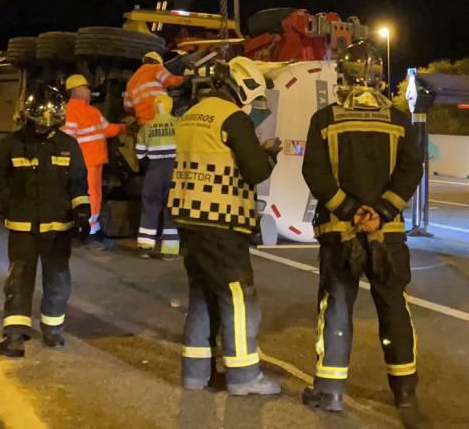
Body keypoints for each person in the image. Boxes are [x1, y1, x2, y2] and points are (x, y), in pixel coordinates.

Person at [299, 40, 423, 412]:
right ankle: (404, 393)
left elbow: (315, 174)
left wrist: (351, 210)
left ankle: (331, 393)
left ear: (343, 76)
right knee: (394, 307)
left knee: (336, 306)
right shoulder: (400, 121)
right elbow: (410, 171)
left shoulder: (325, 120)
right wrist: (381, 212)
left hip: (341, 233)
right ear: (379, 77)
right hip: (388, 235)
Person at [168, 56, 281, 396]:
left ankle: (196, 373)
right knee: (238, 298)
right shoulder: (232, 118)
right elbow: (257, 171)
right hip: (220, 220)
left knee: (202, 295)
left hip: (189, 218)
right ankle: (244, 377)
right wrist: (269, 153)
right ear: (244, 86)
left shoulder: (190, 115)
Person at [0, 85, 89, 357]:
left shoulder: (68, 146)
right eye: (38, 122)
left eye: (47, 124)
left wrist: (83, 215)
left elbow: (78, 185)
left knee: (58, 279)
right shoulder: (11, 145)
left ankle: (53, 330)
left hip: (58, 230)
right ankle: (14, 336)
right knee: (19, 279)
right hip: (23, 228)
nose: (42, 128)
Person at [61, 74, 124, 240]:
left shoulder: (92, 111)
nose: (89, 91)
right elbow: (66, 139)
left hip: (93, 162)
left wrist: (124, 127)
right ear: (77, 90)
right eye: (86, 88)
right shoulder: (71, 111)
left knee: (92, 195)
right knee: (88, 195)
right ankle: (86, 228)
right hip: (83, 162)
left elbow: (108, 129)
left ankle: (91, 226)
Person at [134, 94, 178, 259]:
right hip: (174, 172)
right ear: (170, 106)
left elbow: (139, 154)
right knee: (171, 209)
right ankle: (170, 252)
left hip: (154, 172)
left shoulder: (147, 127)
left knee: (149, 208)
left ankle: (145, 248)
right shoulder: (178, 124)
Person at [124, 51, 186, 125]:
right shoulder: (156, 68)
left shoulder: (130, 81)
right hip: (159, 117)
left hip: (144, 123)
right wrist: (185, 79)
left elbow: (128, 107)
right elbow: (171, 81)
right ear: (156, 61)